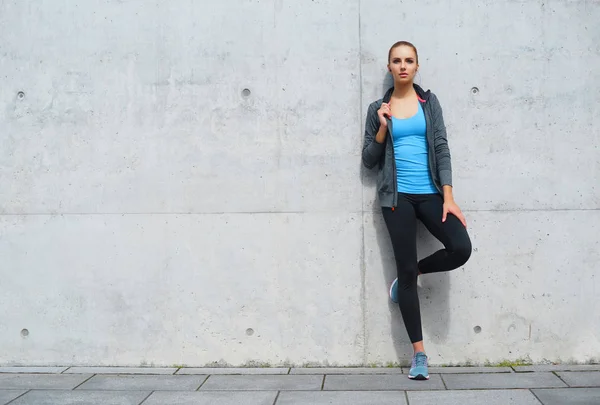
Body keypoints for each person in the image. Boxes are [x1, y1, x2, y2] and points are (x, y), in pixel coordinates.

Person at [362, 41, 472, 380]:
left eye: (409, 60)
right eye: (397, 61)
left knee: (460, 248)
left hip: (430, 195)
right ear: (389, 67)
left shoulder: (429, 102)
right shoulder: (377, 108)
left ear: (417, 66)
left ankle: (413, 273)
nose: (403, 66)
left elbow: (441, 147)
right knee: (404, 270)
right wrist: (382, 127)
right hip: (396, 200)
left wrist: (449, 197)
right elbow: (368, 161)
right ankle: (419, 355)